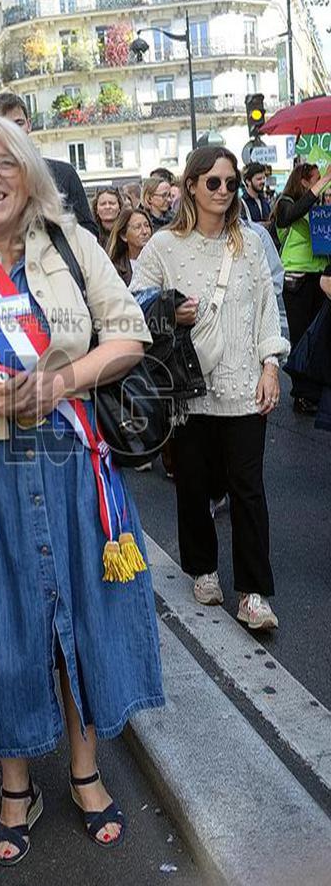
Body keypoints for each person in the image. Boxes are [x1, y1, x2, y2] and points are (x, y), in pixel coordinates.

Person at [0, 113, 164, 866]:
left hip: (69, 459)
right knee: (0, 627)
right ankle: (16, 782)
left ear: (28, 175)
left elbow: (129, 335)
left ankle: (84, 771)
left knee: (76, 614)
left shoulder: (72, 245)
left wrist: (61, 380)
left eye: (5, 164)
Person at [131, 146, 289, 631]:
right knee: (195, 488)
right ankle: (202, 568)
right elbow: (134, 301)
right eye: (213, 182)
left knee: (248, 490)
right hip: (189, 389)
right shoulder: (164, 246)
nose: (224, 191)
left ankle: (254, 592)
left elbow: (268, 304)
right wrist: (168, 308)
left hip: (244, 386)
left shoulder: (253, 242)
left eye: (230, 182)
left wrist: (270, 365)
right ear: (192, 187)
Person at [0, 92, 98, 237]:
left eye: (19, 123)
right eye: (5, 126)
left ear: (29, 125)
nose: (14, 131)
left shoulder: (64, 174)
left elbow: (90, 233)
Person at [274, 162, 331, 414]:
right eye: (317, 179)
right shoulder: (285, 202)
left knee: (317, 336)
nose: (324, 182)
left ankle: (314, 391)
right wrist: (322, 184)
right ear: (304, 181)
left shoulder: (319, 205)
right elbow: (289, 216)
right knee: (300, 336)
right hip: (296, 277)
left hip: (319, 276)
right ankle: (301, 394)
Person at [107, 205, 152, 287]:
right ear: (124, 236)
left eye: (147, 225)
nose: (145, 232)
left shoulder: (159, 261)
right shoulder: (115, 269)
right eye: (138, 227)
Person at [241, 162, 272, 227]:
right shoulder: (241, 204)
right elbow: (241, 227)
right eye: (259, 179)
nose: (263, 181)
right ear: (248, 181)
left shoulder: (265, 202)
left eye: (264, 178)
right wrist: (262, 225)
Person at [92, 186, 123, 250]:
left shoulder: (126, 232)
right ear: (96, 209)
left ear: (119, 207)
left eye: (112, 203)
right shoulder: (91, 234)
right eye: (103, 204)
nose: (107, 207)